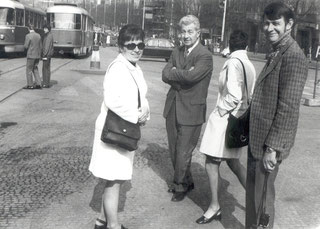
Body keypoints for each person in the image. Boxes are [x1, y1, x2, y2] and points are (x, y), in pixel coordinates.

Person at [245, 2, 308, 229]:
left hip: (268, 145)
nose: (269, 28)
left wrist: (273, 148)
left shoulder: (293, 56)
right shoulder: (276, 52)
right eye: (267, 23)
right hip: (258, 141)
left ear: (289, 24)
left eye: (276, 24)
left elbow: (288, 107)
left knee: (262, 204)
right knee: (254, 200)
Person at [89, 24, 150, 229]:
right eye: (130, 44)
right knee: (114, 180)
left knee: (115, 178)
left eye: (140, 44)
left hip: (124, 130)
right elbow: (112, 100)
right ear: (121, 46)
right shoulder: (118, 67)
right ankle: (113, 225)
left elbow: (141, 95)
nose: (136, 49)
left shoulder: (133, 66)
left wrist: (144, 112)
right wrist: (136, 116)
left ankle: (101, 220)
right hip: (114, 131)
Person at [196, 30, 256, 224]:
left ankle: (214, 207)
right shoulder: (249, 65)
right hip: (239, 120)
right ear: (246, 46)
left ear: (230, 46)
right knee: (233, 162)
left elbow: (234, 95)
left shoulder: (232, 63)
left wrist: (219, 111)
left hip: (226, 120)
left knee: (211, 162)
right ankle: (256, 200)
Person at [162, 15, 213, 202]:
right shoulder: (176, 51)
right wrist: (181, 73)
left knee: (184, 151)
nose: (186, 36)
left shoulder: (204, 56)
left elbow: (193, 78)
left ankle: (180, 185)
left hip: (192, 110)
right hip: (173, 106)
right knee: (174, 149)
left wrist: (176, 72)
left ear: (198, 33)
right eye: (183, 32)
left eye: (190, 31)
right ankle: (187, 180)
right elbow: (164, 74)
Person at [23, 24, 42, 89]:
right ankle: (39, 84)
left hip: (31, 55)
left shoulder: (28, 36)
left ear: (28, 29)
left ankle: (30, 85)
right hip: (37, 55)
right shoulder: (38, 35)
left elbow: (26, 46)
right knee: (35, 69)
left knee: (29, 70)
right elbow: (41, 46)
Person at [42, 24, 54, 88]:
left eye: (45, 28)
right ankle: (47, 83)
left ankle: (45, 83)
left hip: (46, 55)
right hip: (48, 54)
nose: (44, 30)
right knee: (47, 69)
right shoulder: (50, 35)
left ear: (48, 29)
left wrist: (44, 54)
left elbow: (46, 46)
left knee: (45, 69)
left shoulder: (48, 36)